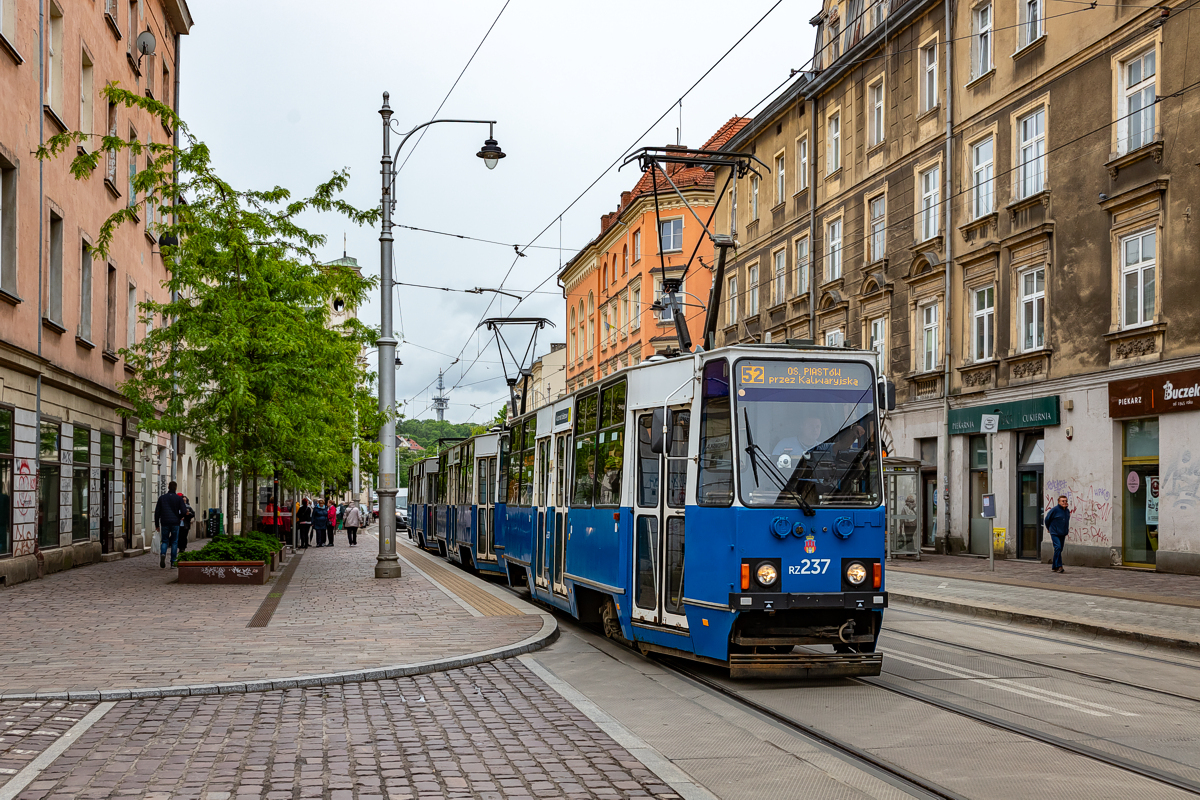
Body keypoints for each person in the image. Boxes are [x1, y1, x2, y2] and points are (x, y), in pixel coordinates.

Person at [154, 480, 187, 569]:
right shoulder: (178, 498)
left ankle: (163, 553)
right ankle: (173, 562)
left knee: (164, 540)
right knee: (174, 542)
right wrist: (180, 516)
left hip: (164, 522)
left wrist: (157, 524)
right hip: (175, 523)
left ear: (168, 487)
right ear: (176, 488)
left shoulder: (162, 498)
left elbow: (157, 512)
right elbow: (184, 511)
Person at [1044, 494, 1071, 573]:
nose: (1064, 502)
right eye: (1063, 501)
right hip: (1054, 532)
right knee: (1058, 547)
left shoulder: (1067, 511)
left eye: (1066, 501)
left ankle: (1054, 566)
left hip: (1062, 532)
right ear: (1059, 502)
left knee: (1059, 549)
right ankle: (1059, 566)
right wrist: (1048, 528)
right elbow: (1047, 519)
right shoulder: (1054, 510)